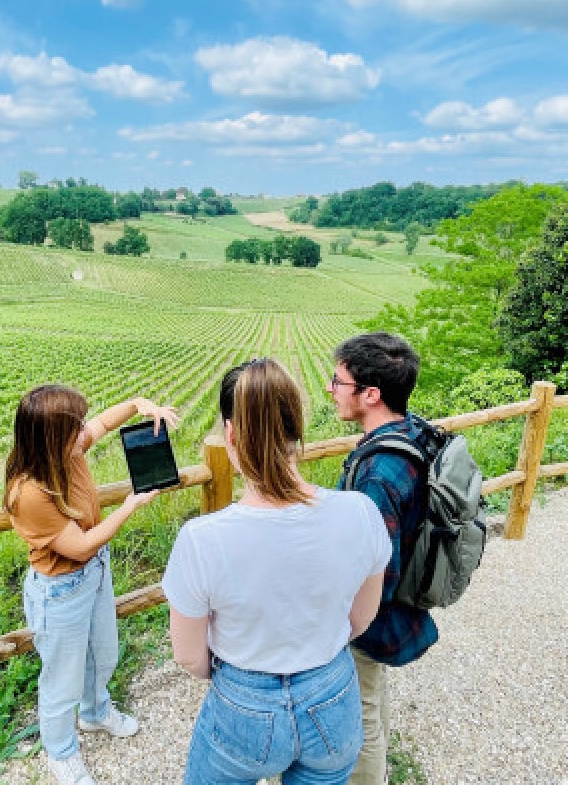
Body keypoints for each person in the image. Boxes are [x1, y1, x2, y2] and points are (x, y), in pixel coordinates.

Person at [163, 358, 391, 785]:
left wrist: (241, 679)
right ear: (297, 427)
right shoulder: (360, 512)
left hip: (244, 702)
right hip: (333, 694)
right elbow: (360, 619)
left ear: (230, 434)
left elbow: (189, 655)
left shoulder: (201, 539)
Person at [5, 385, 179, 785]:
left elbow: (102, 422)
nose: (85, 431)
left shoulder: (66, 450)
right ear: (52, 438)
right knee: (61, 679)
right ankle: (61, 752)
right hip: (60, 590)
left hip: (94, 574)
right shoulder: (30, 492)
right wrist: (131, 504)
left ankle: (96, 712)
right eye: (74, 427)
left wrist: (140, 405)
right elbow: (80, 546)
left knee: (103, 653)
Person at [325, 333, 440, 785]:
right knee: (372, 700)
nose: (332, 390)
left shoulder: (378, 474)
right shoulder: (411, 431)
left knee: (361, 719)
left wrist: (343, 622)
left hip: (375, 618)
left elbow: (377, 574)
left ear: (370, 395)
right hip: (400, 609)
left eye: (338, 382)